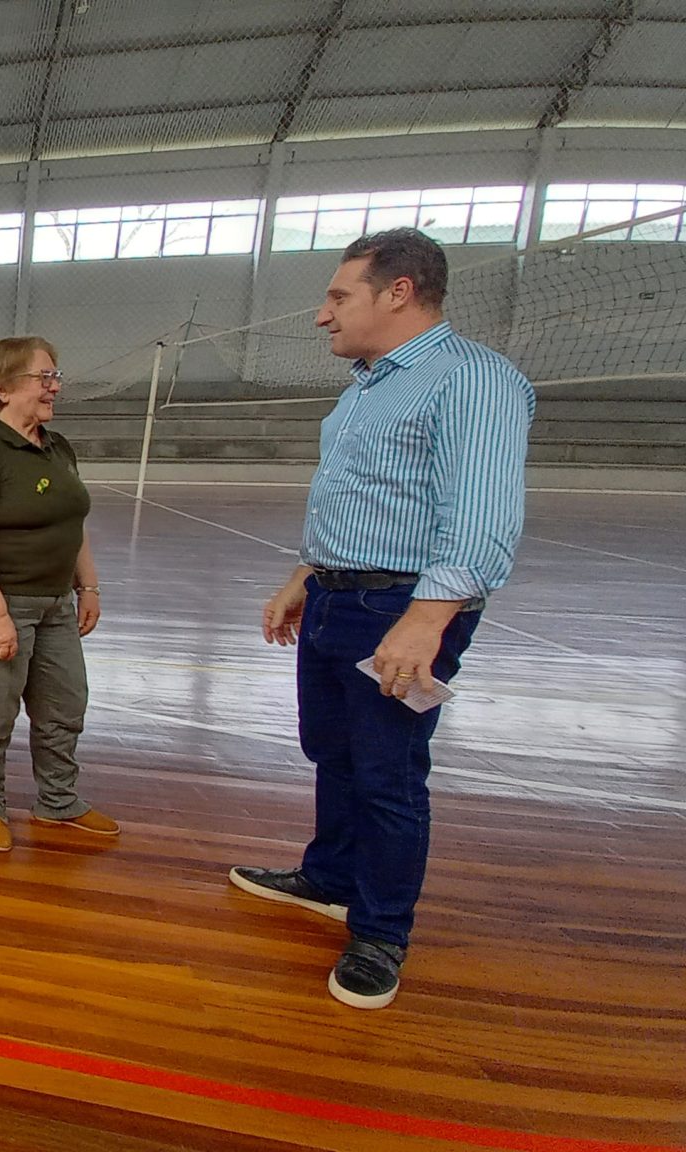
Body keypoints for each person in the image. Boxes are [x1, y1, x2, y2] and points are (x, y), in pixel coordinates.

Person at [235, 228, 534, 1012]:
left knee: (389, 775)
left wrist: (426, 620)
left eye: (338, 297)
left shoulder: (472, 380)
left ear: (397, 291)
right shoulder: (367, 386)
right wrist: (305, 575)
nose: (322, 317)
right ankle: (330, 877)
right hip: (338, 596)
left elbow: (482, 517)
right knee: (331, 748)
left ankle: (380, 932)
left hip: (402, 609)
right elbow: (359, 497)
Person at [0, 336, 113, 856]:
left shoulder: (58, 448)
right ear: (4, 387)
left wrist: (89, 586)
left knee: (64, 704)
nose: (54, 386)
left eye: (56, 376)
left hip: (56, 603)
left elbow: (73, 523)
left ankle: (58, 800)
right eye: (44, 377)